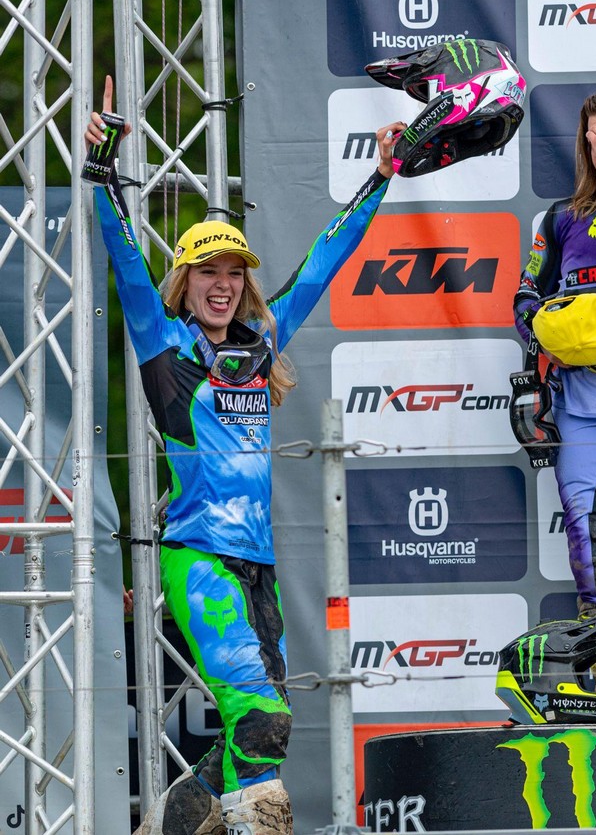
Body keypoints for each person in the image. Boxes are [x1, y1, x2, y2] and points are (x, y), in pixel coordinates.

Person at [86, 75, 404, 835]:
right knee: (260, 717)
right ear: (185, 282)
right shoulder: (164, 346)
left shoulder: (262, 346)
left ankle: (168, 827)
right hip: (200, 560)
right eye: (208, 272)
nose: (223, 285)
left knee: (259, 724)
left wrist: (381, 176)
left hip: (258, 567)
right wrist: (101, 172)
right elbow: (126, 260)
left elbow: (326, 260)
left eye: (234, 273)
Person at [514, 90, 596, 624]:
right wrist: (545, 339)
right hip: (578, 404)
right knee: (582, 521)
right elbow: (525, 296)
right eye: (592, 137)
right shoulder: (562, 218)